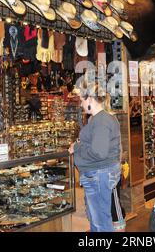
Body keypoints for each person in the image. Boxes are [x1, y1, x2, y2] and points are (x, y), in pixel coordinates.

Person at [68, 83, 121, 232]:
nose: (81, 104)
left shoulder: (101, 120)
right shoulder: (99, 119)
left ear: (90, 99)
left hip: (99, 174)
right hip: (99, 174)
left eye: (82, 100)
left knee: (100, 223)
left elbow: (99, 152)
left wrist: (77, 147)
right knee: (98, 220)